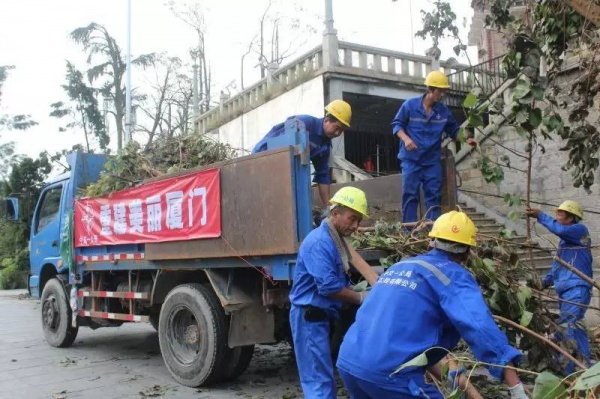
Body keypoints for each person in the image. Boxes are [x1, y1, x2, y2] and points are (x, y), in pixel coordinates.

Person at [336, 210, 528, 399]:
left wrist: (466, 391)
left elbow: (426, 355)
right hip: (390, 373)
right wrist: (516, 387)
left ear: (431, 242)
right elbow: (480, 328)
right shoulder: (453, 276)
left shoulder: (398, 267)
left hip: (349, 362)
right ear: (467, 252)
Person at [289, 186, 379, 399]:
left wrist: (378, 284)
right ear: (335, 213)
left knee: (324, 375)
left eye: (359, 221)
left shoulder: (335, 236)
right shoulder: (320, 242)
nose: (356, 226)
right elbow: (329, 288)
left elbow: (354, 257)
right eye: (352, 219)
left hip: (320, 316)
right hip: (309, 317)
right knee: (318, 381)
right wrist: (361, 297)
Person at [391, 71, 476, 224]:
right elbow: (397, 126)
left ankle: (434, 231)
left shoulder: (443, 111)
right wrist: (406, 139)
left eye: (444, 91)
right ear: (430, 89)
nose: (442, 95)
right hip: (411, 160)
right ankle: (408, 229)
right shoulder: (410, 106)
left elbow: (454, 131)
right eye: (440, 91)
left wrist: (466, 139)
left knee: (434, 196)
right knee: (410, 194)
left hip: (431, 161)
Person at [525, 200, 593, 373]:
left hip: (577, 288)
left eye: (560, 214)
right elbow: (557, 269)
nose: (557, 217)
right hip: (567, 291)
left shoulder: (579, 230)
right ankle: (585, 365)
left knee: (566, 327)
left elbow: (560, 229)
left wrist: (540, 216)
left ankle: (568, 369)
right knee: (575, 326)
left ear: (571, 218)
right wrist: (543, 282)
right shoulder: (565, 245)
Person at [252, 100, 352, 215]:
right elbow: (281, 148)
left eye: (341, 131)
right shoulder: (305, 123)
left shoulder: (324, 145)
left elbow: (323, 176)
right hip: (261, 158)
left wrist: (328, 208)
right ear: (326, 120)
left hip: (287, 171)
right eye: (337, 128)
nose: (337, 133)